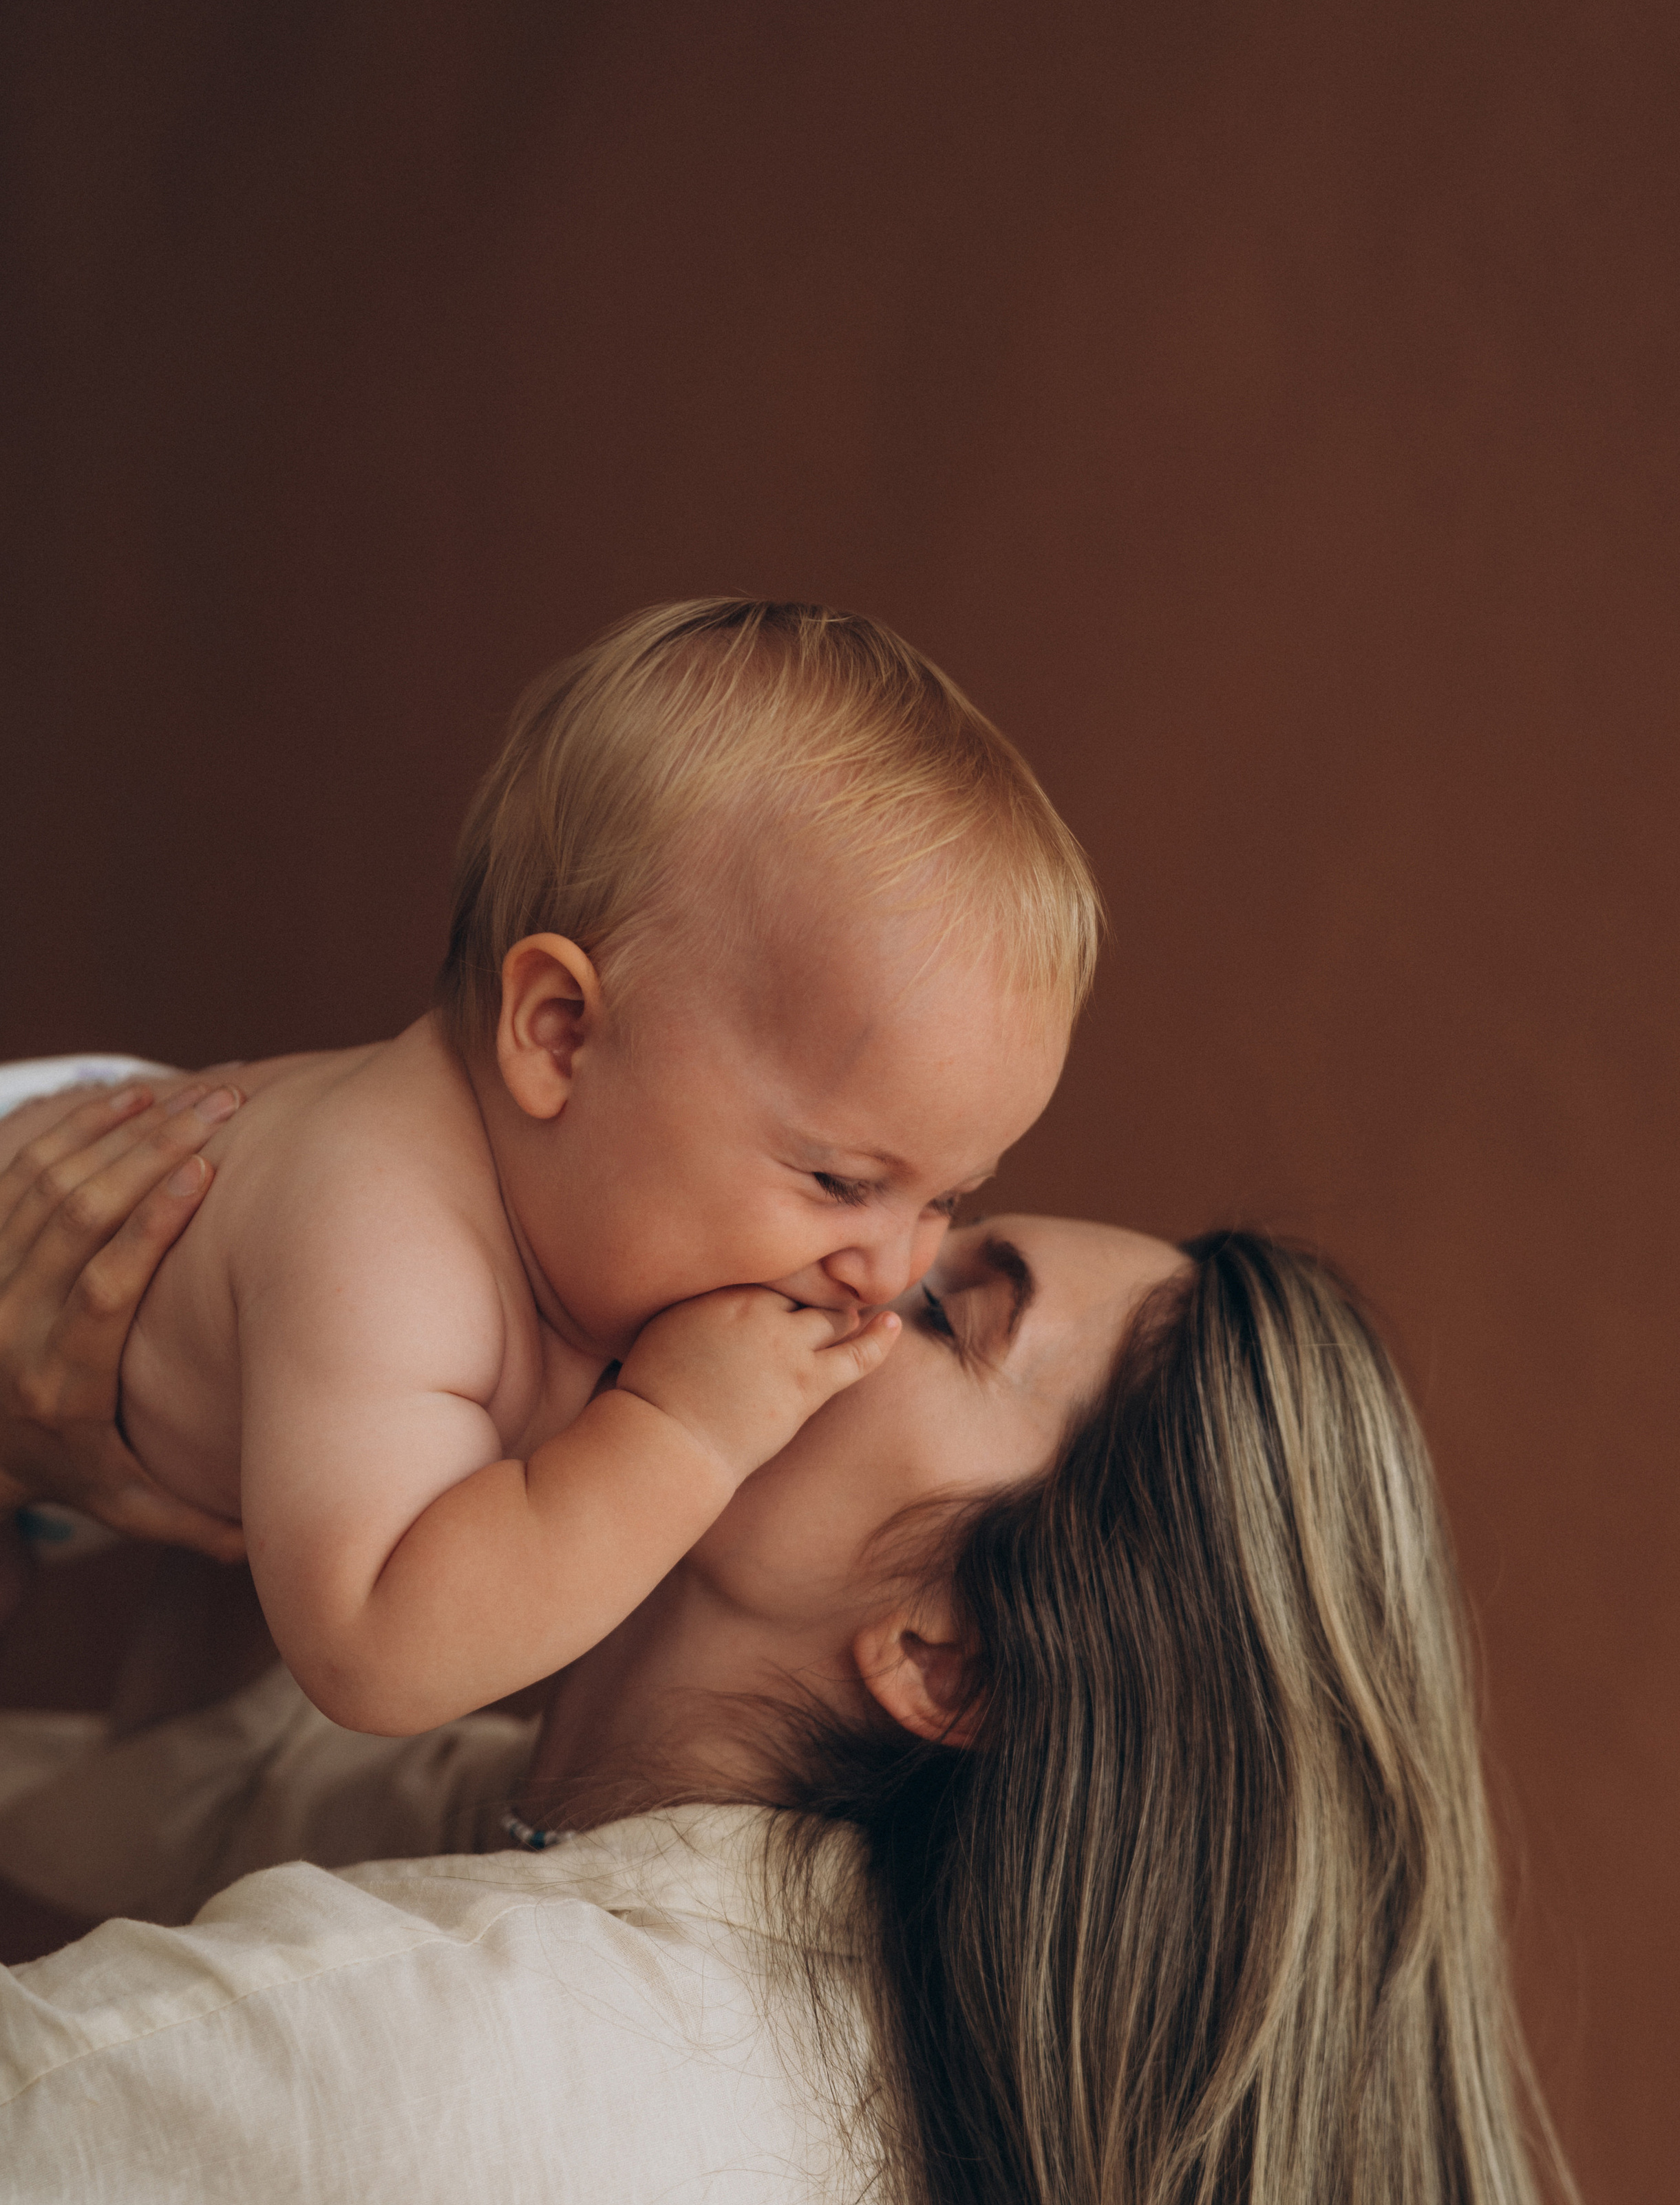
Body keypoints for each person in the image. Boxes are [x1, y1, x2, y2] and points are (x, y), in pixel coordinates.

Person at [0, 1105, 1630, 2205]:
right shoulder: (791, 2055)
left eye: (935, 1311)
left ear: (946, 1654)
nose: (821, 1258)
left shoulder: (405, 2080)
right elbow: (226, 1796)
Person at [0, 599, 1094, 1737]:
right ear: (561, 1034)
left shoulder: (566, 1226)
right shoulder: (384, 1239)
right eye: (838, 1183)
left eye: (948, 1198)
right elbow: (375, 1652)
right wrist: (679, 1437)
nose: (888, 1269)